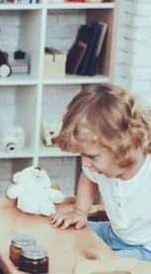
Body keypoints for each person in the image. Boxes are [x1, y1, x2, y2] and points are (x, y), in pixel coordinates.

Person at [49, 83, 151, 261]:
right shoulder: (100, 165)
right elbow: (89, 178)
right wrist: (80, 211)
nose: (85, 163)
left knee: (100, 266)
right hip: (113, 234)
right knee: (57, 233)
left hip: (144, 250)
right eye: (82, 155)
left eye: (92, 156)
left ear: (121, 145)